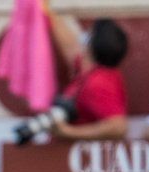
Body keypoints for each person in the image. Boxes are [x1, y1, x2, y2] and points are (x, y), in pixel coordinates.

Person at [46, 8, 129, 140]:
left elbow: (118, 126)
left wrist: (68, 132)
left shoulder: (99, 82)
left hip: (80, 156)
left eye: (89, 34)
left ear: (92, 45)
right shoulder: (88, 72)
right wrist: (46, 10)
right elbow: (70, 47)